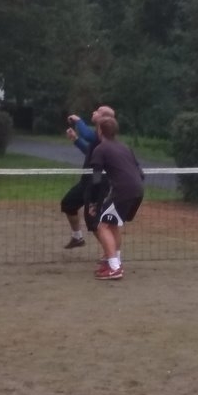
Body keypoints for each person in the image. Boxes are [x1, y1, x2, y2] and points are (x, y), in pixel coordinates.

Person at [88, 116, 144, 280]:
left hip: (123, 191)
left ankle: (114, 268)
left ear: (100, 131)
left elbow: (96, 180)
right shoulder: (126, 147)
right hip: (138, 190)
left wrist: (94, 203)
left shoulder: (100, 149)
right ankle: (114, 262)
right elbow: (140, 173)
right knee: (112, 224)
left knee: (102, 226)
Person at [61, 105, 115, 248]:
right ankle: (77, 237)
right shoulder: (97, 136)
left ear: (104, 118)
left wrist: (78, 120)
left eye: (98, 111)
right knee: (68, 204)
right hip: (87, 180)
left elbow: (87, 135)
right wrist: (75, 140)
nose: (94, 112)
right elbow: (89, 151)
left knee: (93, 221)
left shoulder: (104, 135)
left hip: (98, 181)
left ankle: (111, 255)